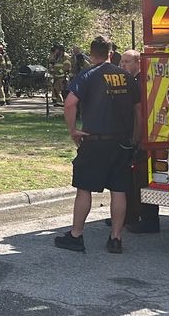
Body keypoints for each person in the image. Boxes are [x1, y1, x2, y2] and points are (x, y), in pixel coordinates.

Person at [54, 36, 141, 255]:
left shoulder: (87, 75)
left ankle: (76, 235)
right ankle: (116, 238)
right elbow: (138, 110)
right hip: (121, 142)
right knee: (119, 190)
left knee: (84, 189)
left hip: (94, 141)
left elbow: (70, 103)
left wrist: (73, 130)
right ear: (112, 54)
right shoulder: (126, 77)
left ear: (92, 55)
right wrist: (135, 137)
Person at [107, 49, 160, 234]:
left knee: (144, 179)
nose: (122, 66)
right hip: (129, 136)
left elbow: (141, 112)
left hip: (144, 137)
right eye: (121, 62)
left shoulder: (143, 82)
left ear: (139, 62)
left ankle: (149, 220)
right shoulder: (129, 82)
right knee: (129, 180)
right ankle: (126, 215)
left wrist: (138, 138)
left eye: (127, 62)